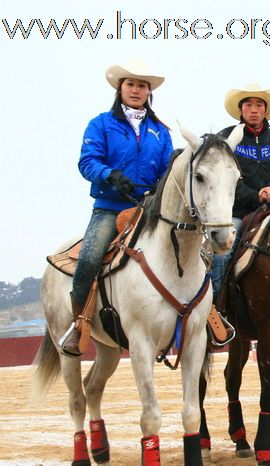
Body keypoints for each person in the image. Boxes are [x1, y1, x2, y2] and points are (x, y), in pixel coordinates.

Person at [61, 60, 173, 356]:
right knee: (89, 257)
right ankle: (80, 323)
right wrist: (109, 175)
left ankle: (200, 319)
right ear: (120, 89)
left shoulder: (161, 131)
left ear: (149, 92)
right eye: (131, 84)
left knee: (188, 249)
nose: (136, 90)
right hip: (110, 208)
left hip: (148, 209)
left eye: (142, 85)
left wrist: (158, 188)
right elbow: (87, 162)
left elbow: (166, 170)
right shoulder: (100, 124)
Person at [210, 84, 270, 299]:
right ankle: (215, 305)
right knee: (221, 255)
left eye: (259, 105)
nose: (254, 110)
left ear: (266, 110)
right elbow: (222, 177)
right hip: (236, 212)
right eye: (248, 104)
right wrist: (255, 194)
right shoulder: (227, 138)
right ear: (241, 109)